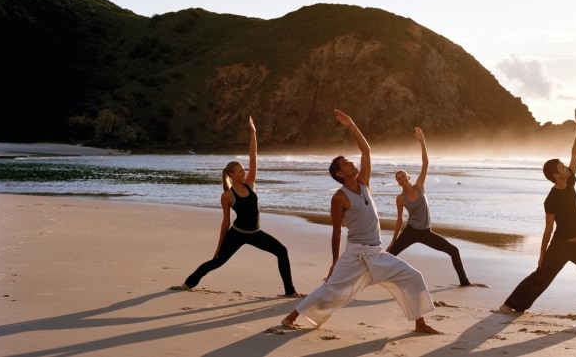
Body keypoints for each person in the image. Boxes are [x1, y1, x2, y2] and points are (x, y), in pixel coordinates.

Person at [281, 110, 440, 333]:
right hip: (355, 255)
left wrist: (352, 124)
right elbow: (336, 232)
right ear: (340, 173)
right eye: (346, 163)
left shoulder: (364, 183)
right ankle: (291, 317)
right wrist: (335, 261)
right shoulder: (339, 197)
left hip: (377, 252)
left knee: (413, 276)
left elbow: (366, 150)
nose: (352, 163)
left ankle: (420, 323)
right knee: (330, 289)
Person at [498, 110, 576, 317]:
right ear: (556, 175)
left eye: (565, 165)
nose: (567, 167)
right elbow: (548, 229)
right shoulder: (551, 199)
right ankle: (510, 305)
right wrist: (542, 255)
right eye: (562, 166)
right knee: (542, 277)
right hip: (561, 246)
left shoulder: (570, 182)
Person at [179, 116, 301, 297]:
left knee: (282, 252)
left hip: (255, 233)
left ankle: (290, 291)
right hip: (237, 234)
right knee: (217, 261)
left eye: (244, 170)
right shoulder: (227, 196)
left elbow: (253, 157)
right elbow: (225, 222)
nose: (244, 173)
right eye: (240, 171)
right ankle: (189, 283)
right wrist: (219, 246)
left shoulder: (250, 184)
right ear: (231, 174)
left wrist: (253, 132)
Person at [387, 127, 478, 287]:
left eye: (403, 177)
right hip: (411, 231)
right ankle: (376, 277)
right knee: (389, 254)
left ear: (409, 178)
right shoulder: (400, 198)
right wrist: (393, 240)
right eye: (398, 179)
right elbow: (399, 220)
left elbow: (426, 163)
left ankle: (464, 282)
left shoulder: (419, 186)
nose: (402, 180)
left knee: (454, 251)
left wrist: (422, 141)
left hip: (426, 232)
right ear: (398, 183)